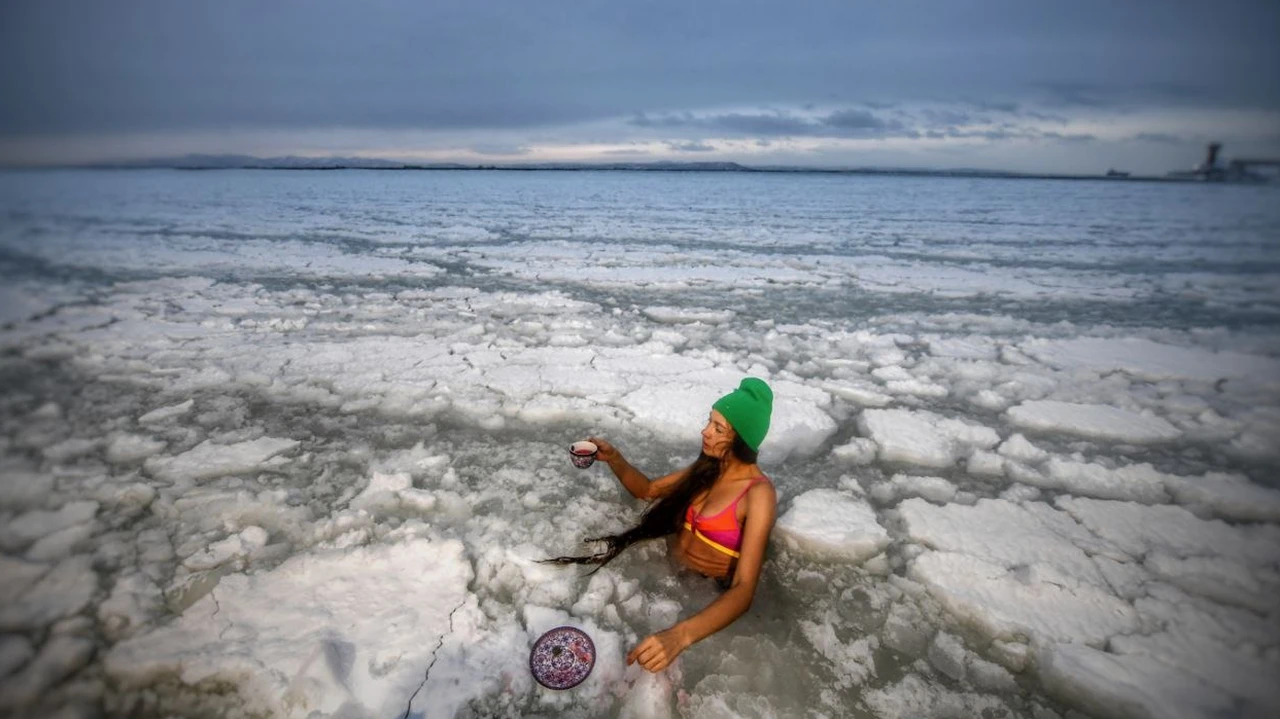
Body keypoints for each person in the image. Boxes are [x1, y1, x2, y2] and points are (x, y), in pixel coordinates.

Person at [546, 378, 778, 673]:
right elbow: (648, 490)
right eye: (710, 421)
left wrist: (680, 636)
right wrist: (614, 458)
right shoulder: (707, 469)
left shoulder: (758, 494)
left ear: (743, 440)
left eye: (718, 428)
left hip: (703, 598)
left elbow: (744, 589)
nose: (705, 432)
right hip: (663, 577)